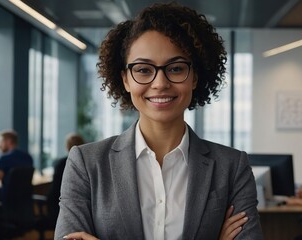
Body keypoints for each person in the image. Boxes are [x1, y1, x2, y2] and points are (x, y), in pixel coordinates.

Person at [56, 2, 262, 240]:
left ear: (194, 77)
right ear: (125, 80)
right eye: (143, 70)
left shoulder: (232, 167)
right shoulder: (86, 164)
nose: (160, 83)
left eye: (175, 68)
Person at [47, 133, 85, 226]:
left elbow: (54, 191)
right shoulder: (87, 162)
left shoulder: (61, 164)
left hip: (62, 208)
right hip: (84, 209)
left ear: (67, 146)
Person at [0, 130, 34, 194]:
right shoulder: (28, 157)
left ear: (9, 141)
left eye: (0, 142)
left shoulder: (5, 159)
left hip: (7, 201)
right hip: (25, 201)